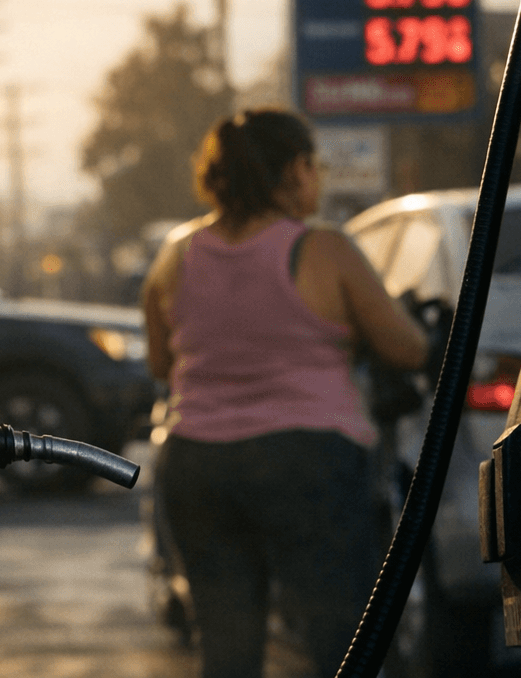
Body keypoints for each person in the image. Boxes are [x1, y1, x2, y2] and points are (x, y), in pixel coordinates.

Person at [141, 109, 427, 678]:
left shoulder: (176, 255)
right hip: (308, 461)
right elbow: (408, 350)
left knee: (227, 649)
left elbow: (161, 364)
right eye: (315, 166)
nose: (317, 178)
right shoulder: (324, 249)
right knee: (344, 639)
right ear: (296, 169)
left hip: (198, 463)